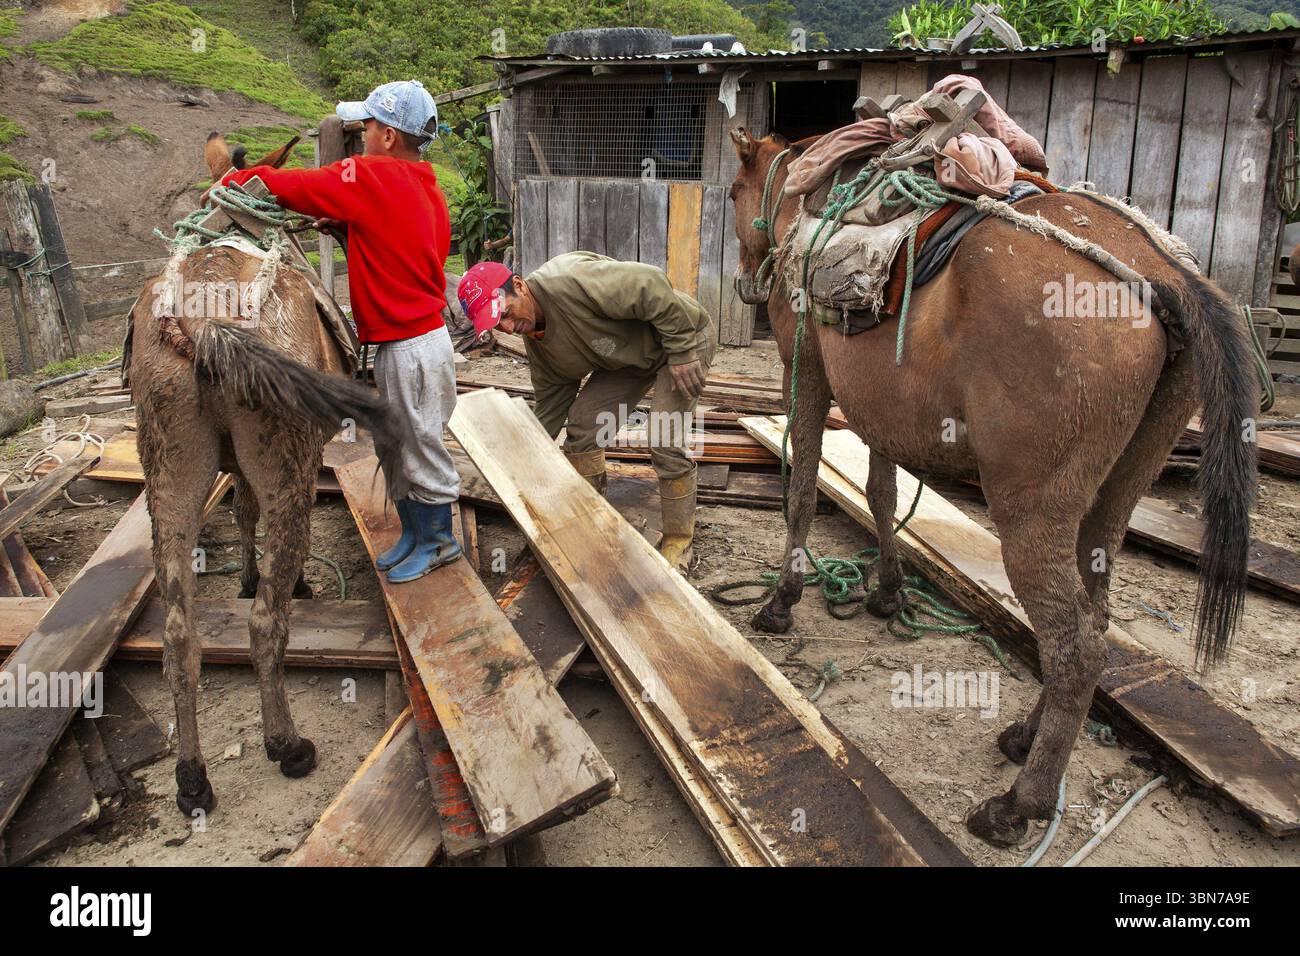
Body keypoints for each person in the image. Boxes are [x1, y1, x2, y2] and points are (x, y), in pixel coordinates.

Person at [221, 80, 461, 583]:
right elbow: (406, 246)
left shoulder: (373, 174)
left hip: (411, 347)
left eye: (368, 126)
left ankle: (439, 542)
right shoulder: (423, 186)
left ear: (390, 135)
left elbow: (303, 185)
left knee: (419, 444)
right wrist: (348, 227)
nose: (363, 134)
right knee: (397, 443)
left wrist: (239, 178)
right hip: (416, 341)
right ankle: (416, 536)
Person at [458, 252, 714, 569]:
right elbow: (552, 405)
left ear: (520, 286)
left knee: (664, 439)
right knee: (582, 429)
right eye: (500, 325)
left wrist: (682, 349)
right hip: (629, 359)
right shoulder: (539, 344)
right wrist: (521, 457)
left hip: (680, 337)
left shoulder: (570, 282)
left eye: (507, 313)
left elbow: (649, 283)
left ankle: (679, 543)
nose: (510, 328)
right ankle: (590, 525)